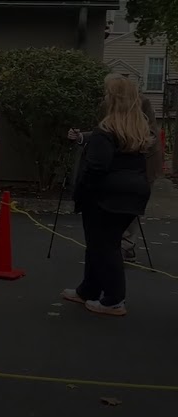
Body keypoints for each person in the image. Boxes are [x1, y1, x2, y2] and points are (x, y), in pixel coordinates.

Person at [62, 76, 151, 316]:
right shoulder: (136, 129)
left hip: (105, 196)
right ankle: (88, 290)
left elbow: (97, 167)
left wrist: (83, 191)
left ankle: (114, 299)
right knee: (99, 245)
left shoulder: (106, 130)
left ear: (112, 99)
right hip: (134, 194)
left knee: (105, 247)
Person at [68, 72, 162, 263]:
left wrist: (129, 141)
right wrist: (81, 137)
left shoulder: (142, 103)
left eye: (108, 90)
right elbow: (104, 131)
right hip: (117, 165)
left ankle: (126, 246)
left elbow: (149, 132)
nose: (106, 94)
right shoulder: (106, 104)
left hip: (142, 162)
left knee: (129, 205)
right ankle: (113, 248)